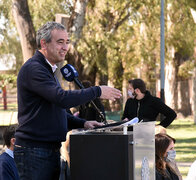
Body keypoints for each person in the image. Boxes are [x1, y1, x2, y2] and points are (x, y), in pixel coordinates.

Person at [14, 21, 121, 180]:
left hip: (47, 150)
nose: (65, 47)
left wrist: (83, 123)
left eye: (67, 42)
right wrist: (97, 91)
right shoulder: (34, 69)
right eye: (60, 42)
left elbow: (55, 110)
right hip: (34, 152)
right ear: (44, 43)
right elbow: (62, 99)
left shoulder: (49, 70)